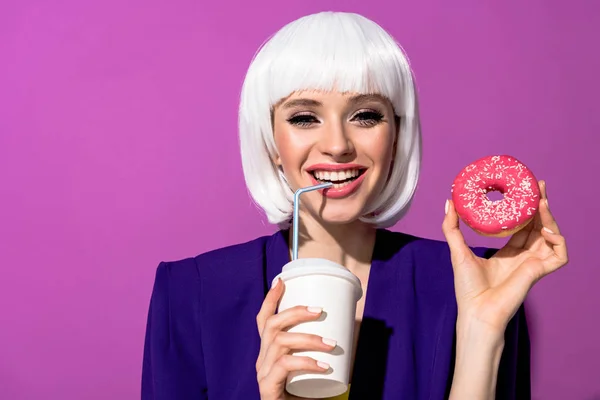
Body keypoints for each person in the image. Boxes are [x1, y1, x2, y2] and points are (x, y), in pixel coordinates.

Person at [141, 11, 568, 400]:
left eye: (365, 115)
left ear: (397, 135)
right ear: (271, 142)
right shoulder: (192, 293)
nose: (338, 145)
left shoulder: (473, 282)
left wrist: (482, 331)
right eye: (304, 117)